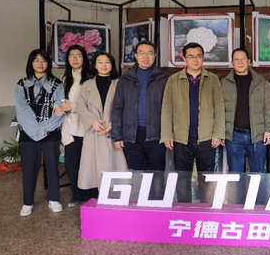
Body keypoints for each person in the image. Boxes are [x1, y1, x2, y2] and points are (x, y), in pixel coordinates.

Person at [160, 42, 225, 202]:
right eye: (191, 56)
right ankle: (185, 210)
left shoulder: (212, 79)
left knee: (207, 179)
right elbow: (167, 109)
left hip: (207, 139)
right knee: (182, 179)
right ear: (184, 58)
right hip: (181, 139)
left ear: (203, 57)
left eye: (198, 56)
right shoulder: (173, 80)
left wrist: (218, 133)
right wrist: (167, 134)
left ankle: (206, 210)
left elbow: (219, 108)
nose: (195, 60)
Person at [15, 49, 65, 216]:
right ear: (31, 63)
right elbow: (22, 110)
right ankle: (28, 202)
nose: (40, 63)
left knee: (52, 165)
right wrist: (37, 130)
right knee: (29, 167)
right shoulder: (22, 84)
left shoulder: (56, 83)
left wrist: (46, 127)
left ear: (48, 63)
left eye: (44, 60)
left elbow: (60, 107)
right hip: (28, 131)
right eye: (36, 60)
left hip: (50, 130)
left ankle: (54, 199)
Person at [111, 41, 169, 171]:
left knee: (157, 175)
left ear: (155, 55)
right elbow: (117, 108)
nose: (145, 57)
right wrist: (117, 136)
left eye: (149, 53)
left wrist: (168, 135)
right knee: (136, 175)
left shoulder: (164, 78)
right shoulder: (125, 79)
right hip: (131, 135)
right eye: (142, 53)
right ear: (136, 56)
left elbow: (170, 109)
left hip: (156, 134)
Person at [76, 51, 125, 195]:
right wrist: (92, 121)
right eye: (100, 62)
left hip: (114, 132)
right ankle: (96, 196)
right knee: (94, 168)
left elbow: (126, 106)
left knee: (117, 168)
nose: (104, 65)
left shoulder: (120, 83)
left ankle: (115, 196)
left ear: (112, 65)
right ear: (95, 66)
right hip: (94, 132)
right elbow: (80, 106)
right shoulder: (87, 85)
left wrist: (113, 124)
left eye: (107, 62)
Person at [221, 48, 270, 173]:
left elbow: (269, 106)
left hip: (257, 135)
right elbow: (219, 109)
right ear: (232, 63)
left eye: (243, 59)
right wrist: (221, 132)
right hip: (233, 135)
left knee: (257, 174)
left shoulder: (260, 82)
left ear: (249, 61)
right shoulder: (224, 83)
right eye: (236, 59)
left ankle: (257, 189)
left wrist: (268, 129)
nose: (240, 62)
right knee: (235, 174)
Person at [59, 45, 91, 207]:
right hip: (69, 126)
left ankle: (89, 194)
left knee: (87, 162)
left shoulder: (90, 78)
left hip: (85, 127)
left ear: (84, 58)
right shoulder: (65, 78)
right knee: (71, 163)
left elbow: (92, 103)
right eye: (71, 56)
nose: (75, 59)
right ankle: (76, 194)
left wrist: (73, 106)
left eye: (79, 55)